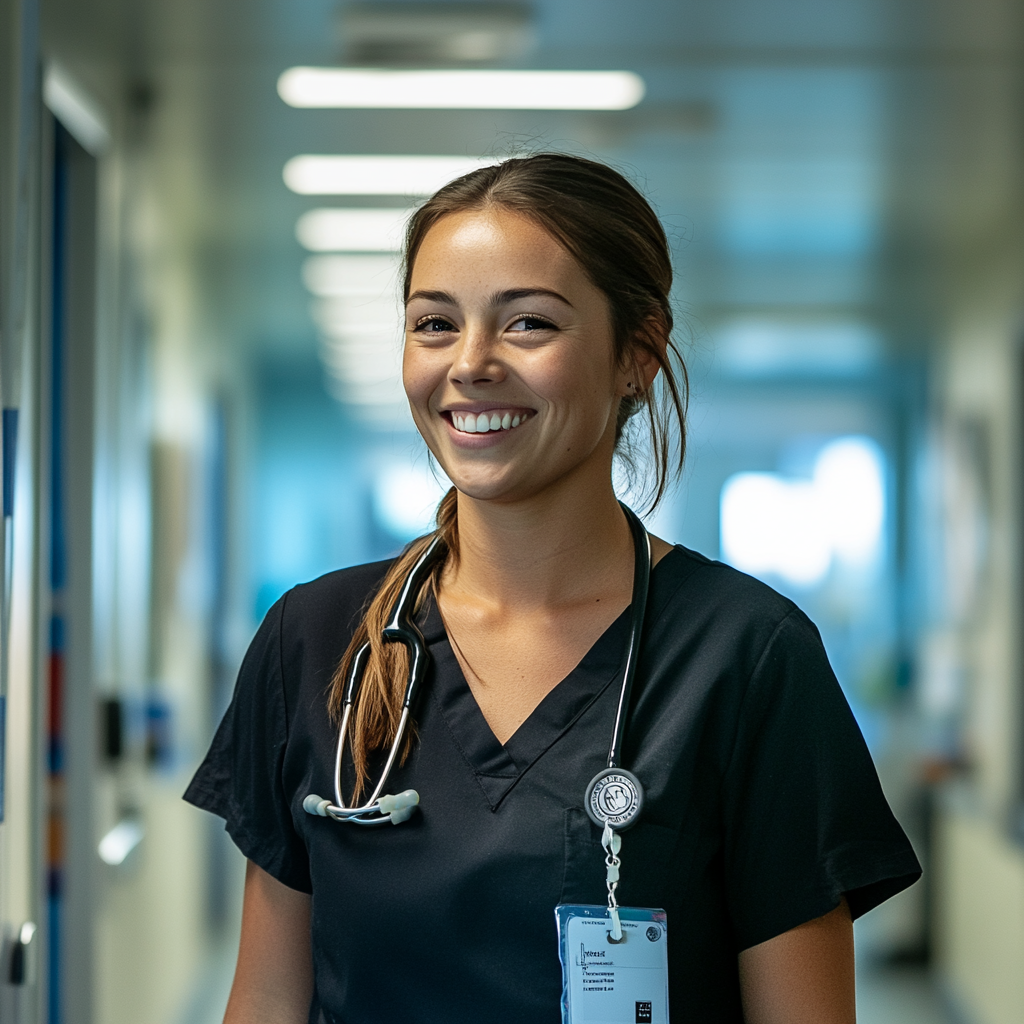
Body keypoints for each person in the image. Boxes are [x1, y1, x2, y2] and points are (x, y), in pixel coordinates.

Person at [185, 153, 921, 1024]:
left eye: (528, 323)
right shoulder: (317, 638)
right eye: (433, 324)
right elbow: (269, 997)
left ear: (636, 355)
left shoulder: (747, 657)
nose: (471, 364)